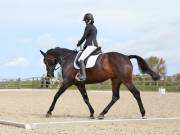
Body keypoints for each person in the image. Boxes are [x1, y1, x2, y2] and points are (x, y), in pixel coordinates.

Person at [76, 13, 98, 81]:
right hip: (95, 45)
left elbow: (84, 37)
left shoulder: (88, 26)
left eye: (85, 20)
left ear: (89, 20)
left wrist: (78, 44)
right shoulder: (94, 27)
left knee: (81, 59)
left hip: (90, 45)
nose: (85, 22)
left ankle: (83, 76)